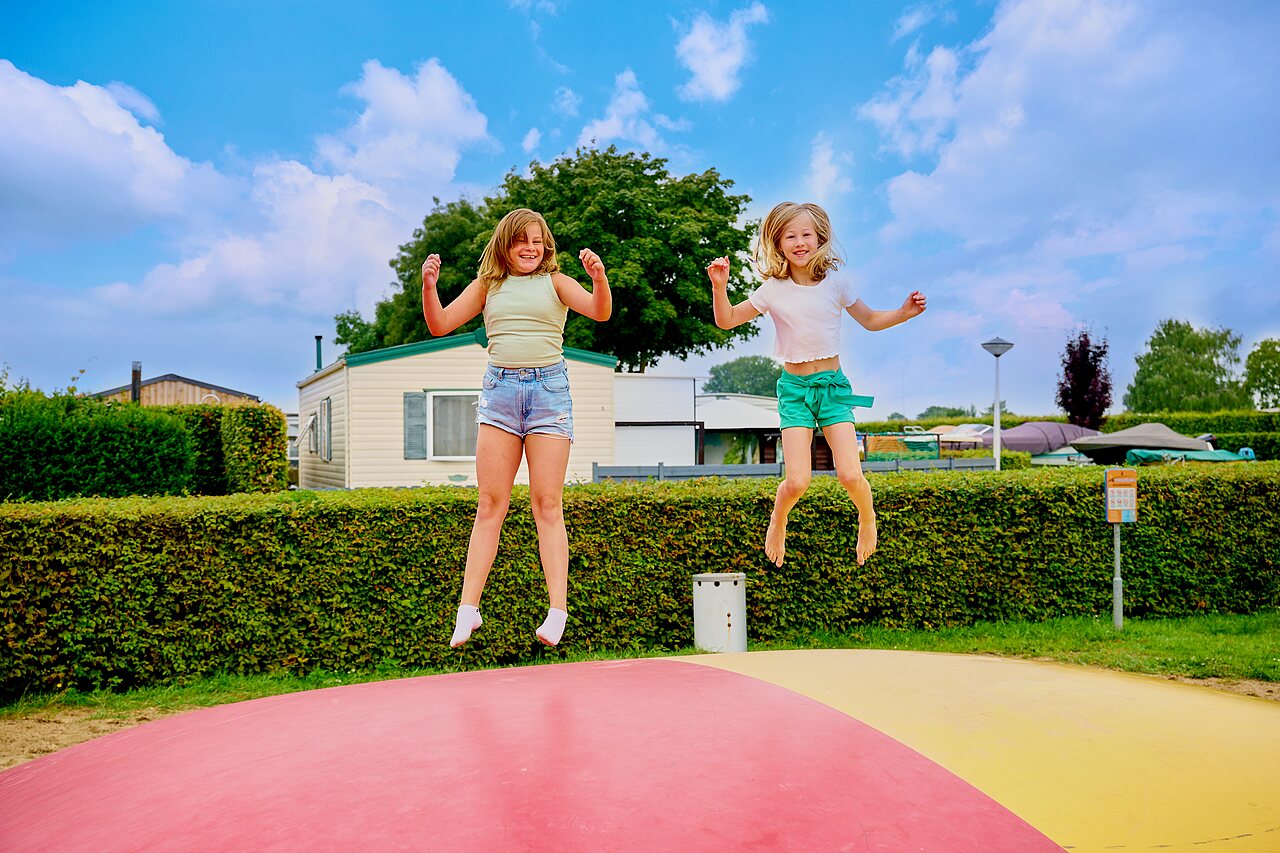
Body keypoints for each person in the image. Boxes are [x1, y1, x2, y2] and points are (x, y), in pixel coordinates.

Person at [422, 208, 611, 647]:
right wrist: (430, 288)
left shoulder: (557, 282)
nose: (530, 247)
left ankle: (557, 611)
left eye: (538, 240)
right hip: (500, 393)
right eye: (521, 240)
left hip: (548, 393)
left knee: (547, 503)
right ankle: (467, 611)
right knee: (490, 503)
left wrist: (599, 278)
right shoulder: (488, 286)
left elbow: (599, 312)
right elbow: (440, 324)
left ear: (546, 246)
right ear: (504, 245)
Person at [708, 201, 926, 568]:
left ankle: (867, 517)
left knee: (850, 474)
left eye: (806, 234)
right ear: (778, 244)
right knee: (797, 482)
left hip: (833, 389)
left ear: (820, 237)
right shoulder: (772, 289)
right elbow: (727, 320)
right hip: (794, 390)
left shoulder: (837, 283)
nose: (799, 242)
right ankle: (778, 520)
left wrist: (903, 313)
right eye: (789, 236)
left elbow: (870, 319)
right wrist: (720, 287)